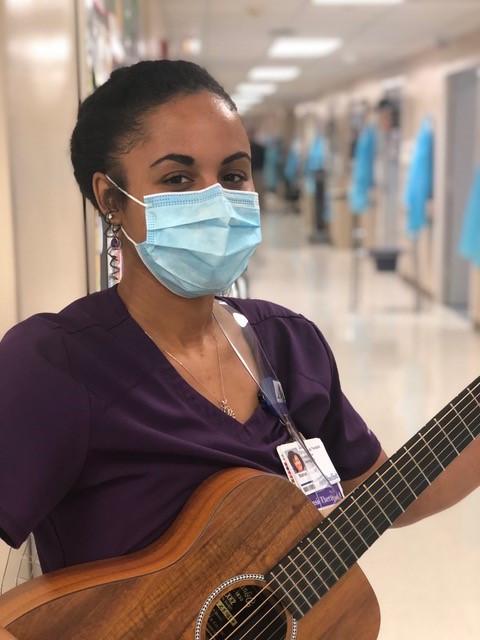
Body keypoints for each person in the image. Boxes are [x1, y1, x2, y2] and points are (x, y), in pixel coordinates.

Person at [0, 61, 478, 577]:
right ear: (111, 198)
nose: (217, 200)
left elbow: (380, 493)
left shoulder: (290, 344)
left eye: (232, 175)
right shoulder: (56, 363)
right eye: (178, 177)